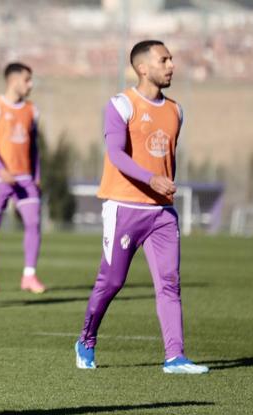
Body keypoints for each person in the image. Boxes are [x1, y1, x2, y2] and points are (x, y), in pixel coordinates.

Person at [74, 40, 208, 374]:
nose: (171, 65)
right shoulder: (121, 105)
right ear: (143, 68)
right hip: (124, 209)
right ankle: (86, 340)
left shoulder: (176, 110)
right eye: (164, 60)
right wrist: (152, 179)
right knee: (113, 282)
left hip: (162, 214)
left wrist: (159, 186)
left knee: (169, 283)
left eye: (172, 59)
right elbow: (116, 155)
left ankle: (174, 357)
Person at [0, 62, 45, 294]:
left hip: (25, 178)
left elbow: (34, 146)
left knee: (34, 222)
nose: (30, 84)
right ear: (14, 81)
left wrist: (37, 175)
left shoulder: (31, 110)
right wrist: (1, 169)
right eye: (27, 79)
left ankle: (29, 275)